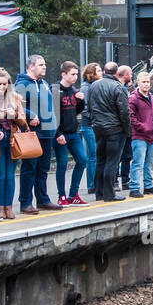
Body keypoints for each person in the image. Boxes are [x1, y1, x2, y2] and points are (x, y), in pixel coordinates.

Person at [14, 54, 62, 214]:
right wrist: (30, 115)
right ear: (31, 67)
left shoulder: (45, 83)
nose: (44, 67)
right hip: (32, 134)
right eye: (41, 64)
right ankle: (25, 202)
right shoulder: (21, 84)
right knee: (29, 169)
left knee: (43, 168)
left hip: (48, 133)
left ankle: (43, 199)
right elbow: (14, 103)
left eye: (44, 64)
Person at [87, 62, 131, 202]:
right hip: (115, 129)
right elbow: (124, 112)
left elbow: (90, 107)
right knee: (112, 161)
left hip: (98, 127)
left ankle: (99, 192)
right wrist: (127, 130)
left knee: (100, 160)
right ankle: (109, 193)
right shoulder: (118, 87)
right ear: (116, 72)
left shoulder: (94, 85)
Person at [0, 69, 25, 219]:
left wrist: (14, 114)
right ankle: (0, 207)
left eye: (5, 84)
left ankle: (9, 207)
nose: (2, 87)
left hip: (12, 138)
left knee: (10, 175)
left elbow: (23, 120)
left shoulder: (14, 98)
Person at [53, 61, 89, 205]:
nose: (75, 77)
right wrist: (57, 134)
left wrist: (80, 101)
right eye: (72, 74)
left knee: (82, 160)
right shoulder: (55, 90)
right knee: (61, 164)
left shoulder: (73, 90)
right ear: (64, 74)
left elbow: (77, 111)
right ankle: (61, 195)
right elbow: (51, 114)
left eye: (76, 74)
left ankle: (73, 194)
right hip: (61, 133)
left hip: (73, 132)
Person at [127, 71, 153, 197]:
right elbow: (131, 117)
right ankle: (134, 187)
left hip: (152, 135)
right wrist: (143, 127)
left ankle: (148, 186)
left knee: (150, 162)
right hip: (139, 136)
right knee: (138, 162)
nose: (146, 84)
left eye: (148, 82)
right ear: (138, 83)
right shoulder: (133, 98)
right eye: (144, 82)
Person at [78, 63, 100, 193]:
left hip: (96, 125)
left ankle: (96, 182)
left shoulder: (94, 86)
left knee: (96, 154)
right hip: (89, 125)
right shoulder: (86, 88)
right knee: (93, 155)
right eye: (98, 70)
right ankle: (92, 184)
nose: (101, 72)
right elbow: (85, 109)